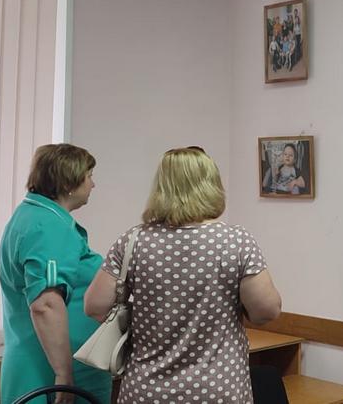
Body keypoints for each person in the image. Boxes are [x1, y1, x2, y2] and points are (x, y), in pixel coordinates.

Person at [84, 147, 282, 404]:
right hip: (218, 389)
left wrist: (147, 318)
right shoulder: (236, 242)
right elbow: (266, 310)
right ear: (211, 184)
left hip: (146, 391)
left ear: (161, 187)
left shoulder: (133, 241)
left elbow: (94, 306)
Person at [0, 144, 111, 404]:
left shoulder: (32, 215)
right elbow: (45, 305)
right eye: (89, 176)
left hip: (39, 362)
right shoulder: (47, 227)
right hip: (50, 374)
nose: (93, 184)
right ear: (69, 182)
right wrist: (63, 374)